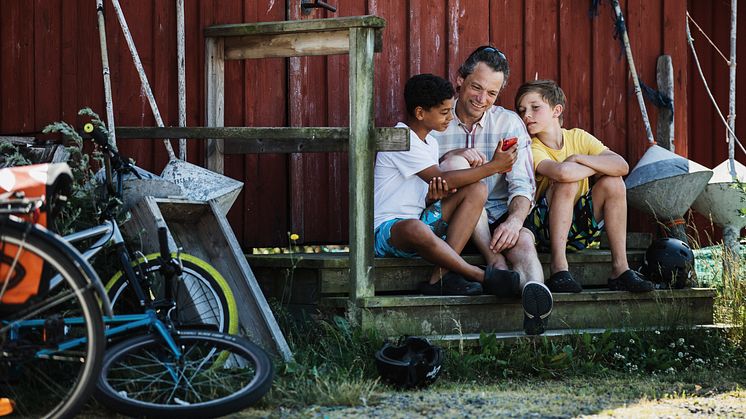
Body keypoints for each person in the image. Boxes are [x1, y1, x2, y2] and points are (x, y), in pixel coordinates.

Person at [432, 46, 552, 336]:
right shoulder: (436, 120)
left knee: (523, 241)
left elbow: (523, 184)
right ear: (459, 79)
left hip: (496, 218)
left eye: (492, 94)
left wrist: (514, 221)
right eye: (476, 87)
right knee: (460, 165)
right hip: (450, 221)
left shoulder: (508, 123)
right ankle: (495, 263)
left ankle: (535, 301)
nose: (481, 99)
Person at [373, 73, 517, 298]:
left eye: (451, 110)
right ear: (420, 113)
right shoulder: (399, 138)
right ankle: (479, 275)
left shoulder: (429, 142)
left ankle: (438, 278)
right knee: (414, 226)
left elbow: (432, 186)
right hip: (388, 233)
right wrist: (494, 166)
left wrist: (433, 197)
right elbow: (443, 178)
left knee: (477, 189)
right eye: (444, 112)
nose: (451, 116)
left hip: (420, 223)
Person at [514, 79, 654, 293]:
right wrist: (596, 167)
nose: (527, 115)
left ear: (556, 110)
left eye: (535, 107)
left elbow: (621, 166)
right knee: (567, 183)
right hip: (543, 231)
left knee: (613, 183)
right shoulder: (531, 146)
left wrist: (578, 158)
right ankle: (559, 268)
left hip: (579, 229)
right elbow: (563, 172)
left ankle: (620, 269)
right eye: (522, 110)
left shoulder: (577, 137)